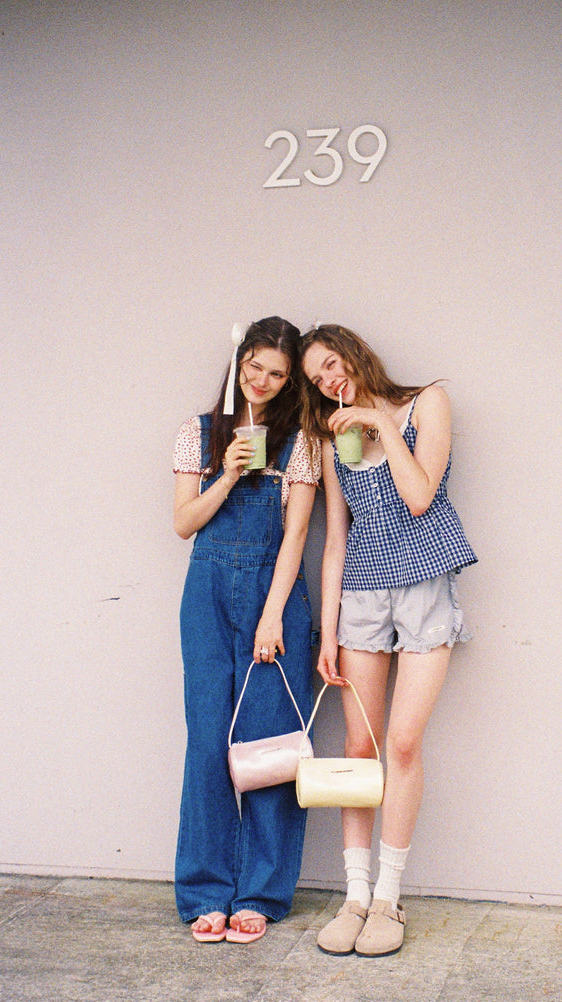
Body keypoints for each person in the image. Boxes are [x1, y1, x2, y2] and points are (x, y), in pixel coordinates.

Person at [299, 323, 477, 957]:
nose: (328, 380)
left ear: (354, 353)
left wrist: (378, 420)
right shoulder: (331, 439)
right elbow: (336, 539)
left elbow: (421, 495)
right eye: (316, 378)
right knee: (359, 746)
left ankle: (387, 899)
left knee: (402, 743)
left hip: (425, 584)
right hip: (361, 596)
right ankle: (354, 896)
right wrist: (328, 629)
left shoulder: (427, 403)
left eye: (331, 364)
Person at [173, 316, 321, 945]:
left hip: (275, 595)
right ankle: (206, 891)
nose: (261, 380)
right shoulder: (199, 434)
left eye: (277, 374)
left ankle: (260, 892)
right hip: (207, 593)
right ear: (238, 363)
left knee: (270, 745)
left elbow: (297, 535)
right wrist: (229, 473)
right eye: (254, 366)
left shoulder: (300, 444)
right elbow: (185, 523)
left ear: (289, 382)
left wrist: (271, 614)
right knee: (207, 740)